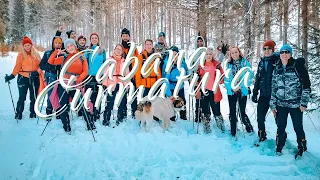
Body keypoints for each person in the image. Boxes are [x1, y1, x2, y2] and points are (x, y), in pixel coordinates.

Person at [270, 44, 310, 157]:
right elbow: (273, 87)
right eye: (282, 52)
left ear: (290, 54)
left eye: (287, 52)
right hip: (281, 105)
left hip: (295, 105)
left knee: (298, 127)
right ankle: (279, 146)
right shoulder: (277, 68)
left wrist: (304, 103)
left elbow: (306, 85)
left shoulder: (297, 67)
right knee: (280, 126)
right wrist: (272, 105)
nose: (284, 54)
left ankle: (302, 147)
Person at [48, 39, 92, 133]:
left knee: (81, 103)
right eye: (67, 47)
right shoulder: (64, 57)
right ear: (66, 48)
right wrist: (57, 51)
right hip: (63, 84)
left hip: (76, 84)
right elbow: (50, 61)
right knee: (64, 105)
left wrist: (79, 78)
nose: (70, 48)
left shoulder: (81, 57)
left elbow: (85, 71)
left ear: (75, 46)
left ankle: (89, 123)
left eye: (71, 46)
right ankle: (66, 125)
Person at [4, 36, 41, 119]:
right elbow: (17, 66)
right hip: (23, 78)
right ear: (23, 46)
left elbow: (41, 65)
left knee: (34, 96)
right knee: (22, 97)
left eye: (29, 45)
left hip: (34, 77)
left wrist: (37, 71)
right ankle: (18, 112)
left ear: (31, 45)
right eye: (25, 45)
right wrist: (12, 75)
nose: (27, 47)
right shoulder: (21, 55)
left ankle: (33, 112)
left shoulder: (36, 54)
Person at [252, 40, 279, 143]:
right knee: (260, 117)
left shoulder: (278, 61)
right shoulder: (262, 62)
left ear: (273, 49)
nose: (267, 51)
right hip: (263, 95)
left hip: (275, 97)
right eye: (265, 49)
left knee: (278, 119)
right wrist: (255, 92)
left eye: (269, 48)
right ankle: (261, 134)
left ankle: (280, 137)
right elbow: (258, 78)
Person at [224, 46, 254, 138]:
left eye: (236, 52)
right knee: (232, 112)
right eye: (232, 53)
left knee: (242, 112)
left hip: (242, 91)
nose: (234, 54)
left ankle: (249, 128)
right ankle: (233, 131)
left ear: (239, 52)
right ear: (230, 55)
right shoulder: (228, 64)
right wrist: (232, 88)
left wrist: (242, 86)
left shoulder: (245, 63)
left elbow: (250, 76)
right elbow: (226, 79)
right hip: (232, 92)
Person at [198, 48, 225, 133]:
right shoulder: (201, 65)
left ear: (212, 55)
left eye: (210, 54)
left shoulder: (216, 65)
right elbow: (197, 80)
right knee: (205, 110)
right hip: (204, 91)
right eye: (207, 54)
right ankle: (207, 128)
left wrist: (220, 72)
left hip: (214, 91)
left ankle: (221, 127)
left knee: (216, 110)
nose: (208, 56)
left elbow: (222, 80)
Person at [102, 44, 129, 126]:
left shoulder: (124, 61)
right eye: (117, 49)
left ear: (122, 52)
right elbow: (105, 72)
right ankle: (106, 120)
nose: (118, 51)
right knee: (110, 102)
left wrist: (127, 85)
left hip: (121, 83)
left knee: (122, 102)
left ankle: (120, 119)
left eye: (120, 50)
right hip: (111, 83)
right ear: (114, 50)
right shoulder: (109, 60)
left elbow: (127, 74)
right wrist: (104, 84)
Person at [39, 36, 65, 120]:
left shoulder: (63, 53)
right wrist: (49, 67)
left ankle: (58, 112)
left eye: (59, 43)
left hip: (60, 76)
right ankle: (49, 112)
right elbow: (41, 65)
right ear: (53, 44)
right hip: (50, 75)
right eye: (56, 43)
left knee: (59, 94)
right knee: (51, 94)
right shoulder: (47, 53)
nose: (57, 45)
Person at [84, 32, 106, 121]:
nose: (94, 39)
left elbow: (105, 64)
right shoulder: (88, 51)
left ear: (98, 40)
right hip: (90, 76)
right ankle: (91, 113)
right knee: (91, 96)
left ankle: (97, 113)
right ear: (90, 40)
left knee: (98, 96)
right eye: (92, 38)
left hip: (99, 77)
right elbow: (84, 63)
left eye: (95, 38)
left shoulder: (102, 51)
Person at [163, 46, 188, 120]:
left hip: (180, 85)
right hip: (170, 86)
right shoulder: (167, 64)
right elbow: (165, 80)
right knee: (172, 103)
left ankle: (183, 117)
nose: (175, 56)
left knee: (183, 101)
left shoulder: (182, 62)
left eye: (176, 54)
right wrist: (169, 94)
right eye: (173, 54)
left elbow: (186, 71)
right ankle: (172, 118)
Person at [120, 28, 139, 118]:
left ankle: (134, 114)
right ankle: (122, 115)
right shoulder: (119, 47)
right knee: (123, 96)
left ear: (129, 37)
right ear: (121, 37)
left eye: (127, 36)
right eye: (123, 36)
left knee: (133, 96)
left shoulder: (134, 48)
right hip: (123, 76)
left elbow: (138, 61)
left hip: (132, 75)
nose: (125, 37)